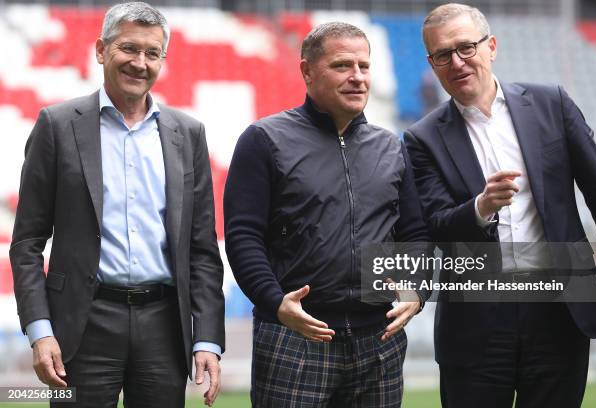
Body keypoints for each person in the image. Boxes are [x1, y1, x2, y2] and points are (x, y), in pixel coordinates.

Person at [9, 2, 225, 407]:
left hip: (165, 327)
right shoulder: (56, 126)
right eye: (129, 48)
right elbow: (27, 243)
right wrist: (40, 330)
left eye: (152, 53)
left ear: (163, 59)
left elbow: (203, 251)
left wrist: (208, 339)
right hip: (81, 326)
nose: (139, 62)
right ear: (101, 50)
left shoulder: (188, 134)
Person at [404, 3, 596, 408]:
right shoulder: (420, 138)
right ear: (432, 63)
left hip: (559, 308)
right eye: (443, 55)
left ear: (491, 46)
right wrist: (479, 207)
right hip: (477, 318)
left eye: (466, 48)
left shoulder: (552, 104)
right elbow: (435, 225)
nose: (457, 62)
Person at [224, 21, 429, 408]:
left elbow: (414, 232)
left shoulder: (390, 147)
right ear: (307, 71)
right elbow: (243, 237)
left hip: (379, 341)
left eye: (364, 66)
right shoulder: (264, 140)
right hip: (295, 336)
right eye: (342, 66)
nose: (357, 77)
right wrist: (274, 302)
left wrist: (415, 288)